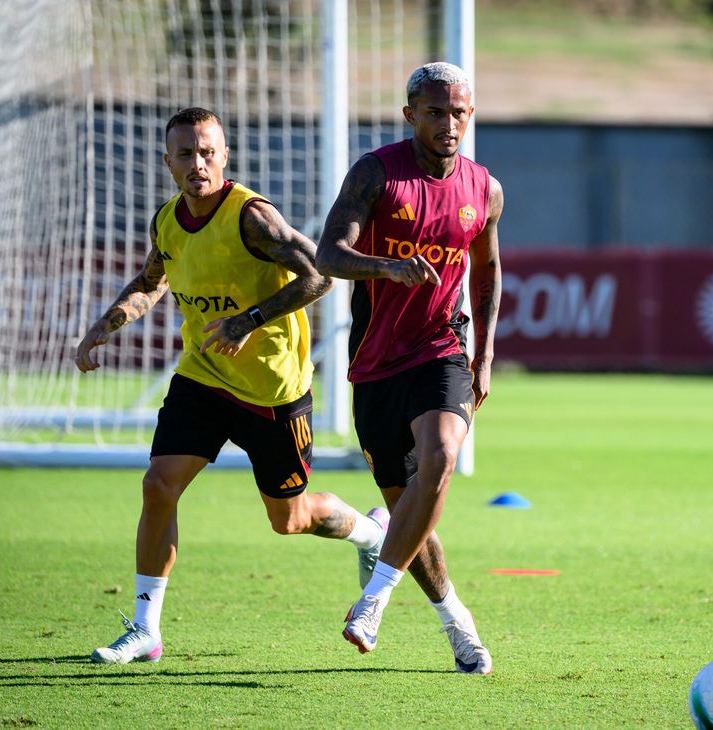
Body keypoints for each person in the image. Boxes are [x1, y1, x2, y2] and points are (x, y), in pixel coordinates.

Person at [74, 107, 388, 665]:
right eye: (186, 154)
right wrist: (107, 323)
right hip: (203, 377)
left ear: (224, 156)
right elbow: (151, 281)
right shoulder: (167, 220)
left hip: (272, 390)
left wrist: (247, 321)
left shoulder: (252, 218)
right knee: (158, 485)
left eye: (207, 152)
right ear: (167, 162)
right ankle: (145, 628)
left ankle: (370, 534)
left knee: (289, 519)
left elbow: (321, 274)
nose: (197, 163)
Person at [315, 62, 503, 675]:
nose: (449, 124)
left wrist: (485, 354)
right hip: (374, 364)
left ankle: (373, 600)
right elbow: (328, 254)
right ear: (410, 115)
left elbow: (488, 270)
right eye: (435, 112)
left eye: (459, 113)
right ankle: (459, 624)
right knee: (408, 517)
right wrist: (386, 267)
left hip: (441, 347)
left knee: (442, 456)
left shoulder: (485, 190)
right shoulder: (376, 173)